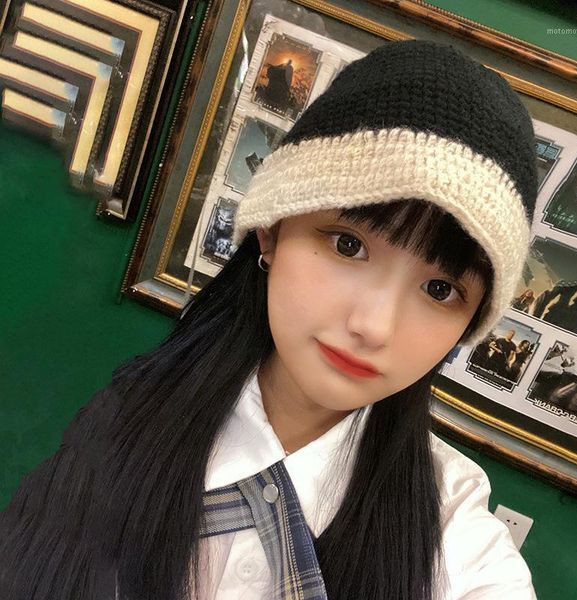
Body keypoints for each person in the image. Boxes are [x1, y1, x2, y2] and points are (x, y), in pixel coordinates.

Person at [0, 39, 538, 599]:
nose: (373, 326)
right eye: (348, 244)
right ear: (272, 230)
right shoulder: (131, 413)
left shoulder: (453, 532)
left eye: (440, 289)